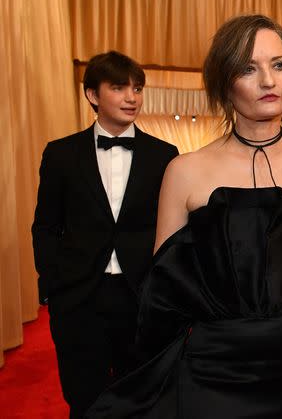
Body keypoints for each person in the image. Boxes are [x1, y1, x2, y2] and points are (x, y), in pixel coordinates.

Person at [84, 15, 282, 419]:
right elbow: (161, 297)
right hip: (213, 372)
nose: (269, 81)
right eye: (249, 68)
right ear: (224, 84)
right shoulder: (185, 171)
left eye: (279, 65)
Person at [31, 50, 179, 419]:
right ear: (93, 95)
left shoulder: (165, 155)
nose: (132, 97)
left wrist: (162, 290)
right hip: (80, 297)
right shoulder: (61, 154)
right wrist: (53, 285)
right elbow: (46, 226)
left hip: (140, 296)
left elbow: (173, 230)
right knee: (84, 399)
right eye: (119, 87)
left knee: (142, 399)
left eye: (138, 89)